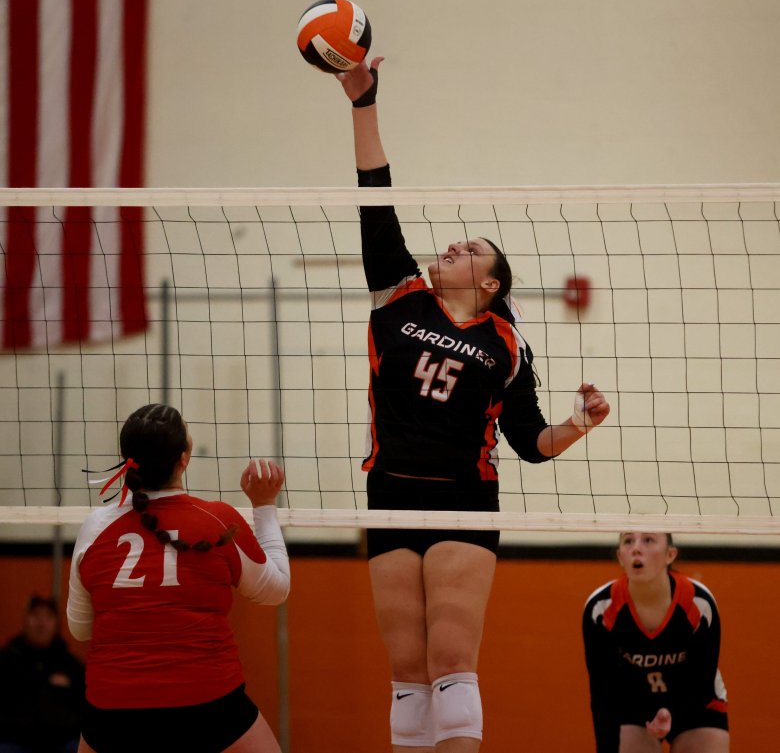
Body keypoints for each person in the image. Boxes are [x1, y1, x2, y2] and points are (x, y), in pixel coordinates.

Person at [333, 57, 611, 752]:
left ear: (489, 285)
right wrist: (364, 103)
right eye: (459, 242)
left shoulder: (506, 344)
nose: (455, 244)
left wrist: (580, 423)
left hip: (463, 499)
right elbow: (375, 196)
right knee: (406, 672)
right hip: (389, 493)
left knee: (450, 660)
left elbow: (531, 444)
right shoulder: (398, 294)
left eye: (472, 249)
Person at [66, 403, 290, 753]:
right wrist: (264, 506)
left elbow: (80, 630)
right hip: (207, 704)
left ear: (128, 460)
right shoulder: (218, 520)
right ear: (184, 458)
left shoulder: (95, 528)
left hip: (114, 712)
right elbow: (277, 590)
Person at [582, 532, 730, 753]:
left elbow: (702, 677)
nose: (636, 548)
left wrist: (669, 711)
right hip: (632, 705)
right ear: (620, 557)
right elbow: (603, 695)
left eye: (648, 540)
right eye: (628, 541)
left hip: (695, 700)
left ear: (670, 554)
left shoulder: (698, 602)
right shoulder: (600, 608)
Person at [0, 595, 85, 753]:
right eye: (35, 614)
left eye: (48, 616)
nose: (41, 622)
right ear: (24, 621)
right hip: (14, 742)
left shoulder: (72, 666)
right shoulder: (6, 662)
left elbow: (85, 711)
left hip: (62, 743)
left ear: (57, 624)